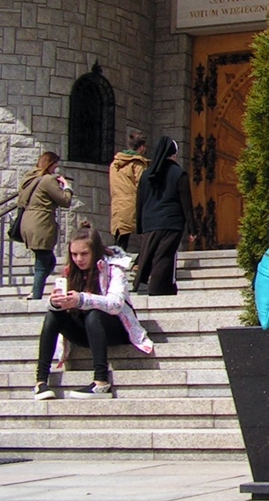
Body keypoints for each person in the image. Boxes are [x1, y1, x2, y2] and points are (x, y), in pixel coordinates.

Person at [34, 223, 153, 400]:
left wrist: (82, 299)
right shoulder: (70, 272)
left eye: (84, 254)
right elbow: (56, 306)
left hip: (115, 328)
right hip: (84, 331)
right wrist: (55, 302)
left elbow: (115, 304)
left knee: (93, 313)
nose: (79, 259)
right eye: (74, 254)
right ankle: (41, 381)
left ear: (95, 251)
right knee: (53, 314)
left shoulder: (114, 269)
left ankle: (101, 382)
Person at [132, 136, 196, 296]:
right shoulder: (179, 173)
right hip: (171, 222)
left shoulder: (146, 174)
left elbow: (140, 202)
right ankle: (156, 288)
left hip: (150, 223)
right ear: (173, 154)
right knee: (164, 256)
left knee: (149, 253)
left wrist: (140, 227)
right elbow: (186, 203)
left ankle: (151, 285)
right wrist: (192, 229)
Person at [17, 151, 74, 300]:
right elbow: (65, 201)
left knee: (50, 261)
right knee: (42, 263)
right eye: (55, 166)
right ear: (50, 164)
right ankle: (36, 297)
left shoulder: (30, 178)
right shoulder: (47, 180)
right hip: (41, 223)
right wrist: (66, 187)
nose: (56, 169)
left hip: (28, 222)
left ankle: (35, 289)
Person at [108, 132, 148, 251]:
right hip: (132, 204)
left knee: (120, 238)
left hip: (117, 204)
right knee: (147, 236)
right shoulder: (137, 163)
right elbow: (143, 184)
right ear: (141, 147)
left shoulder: (115, 164)